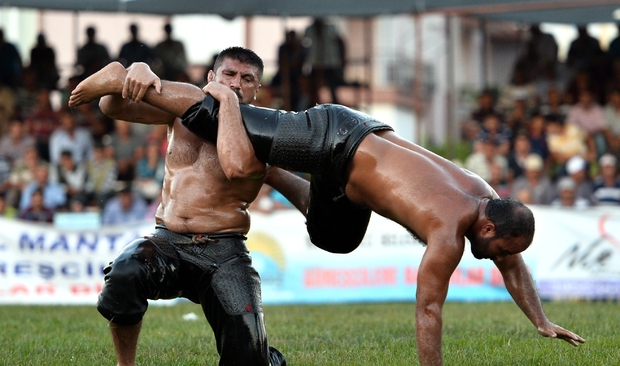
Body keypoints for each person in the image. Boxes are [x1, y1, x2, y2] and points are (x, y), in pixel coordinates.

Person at [69, 57, 585, 366]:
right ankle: (151, 77)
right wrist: (139, 75)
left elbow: (513, 262)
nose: (495, 258)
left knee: (335, 238)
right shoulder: (449, 231)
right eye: (496, 250)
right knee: (225, 114)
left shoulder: (483, 191)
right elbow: (428, 312)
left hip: (353, 164)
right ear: (490, 225)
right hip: (336, 136)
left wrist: (541, 320)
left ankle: (268, 167)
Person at [69, 47, 309, 366]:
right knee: (126, 272)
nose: (236, 83)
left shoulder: (265, 134)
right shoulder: (181, 110)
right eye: (229, 74)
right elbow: (112, 106)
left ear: (257, 89)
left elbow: (305, 196)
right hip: (168, 242)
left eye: (247, 78)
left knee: (249, 356)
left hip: (224, 251)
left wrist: (344, 201)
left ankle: (269, 360)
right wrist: (136, 70)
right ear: (211, 77)